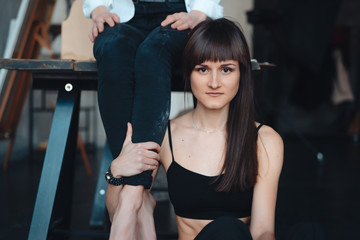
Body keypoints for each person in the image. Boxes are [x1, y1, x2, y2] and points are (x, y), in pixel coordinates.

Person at [112, 18, 284, 240]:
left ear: (241, 74)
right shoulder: (165, 135)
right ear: (188, 74)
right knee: (227, 230)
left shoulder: (265, 140)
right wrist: (115, 172)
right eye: (203, 69)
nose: (214, 82)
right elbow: (121, 212)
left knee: (310, 233)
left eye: (226, 69)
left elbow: (263, 230)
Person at [82, 0, 222, 239]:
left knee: (153, 53)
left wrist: (200, 14)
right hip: (126, 13)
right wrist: (99, 10)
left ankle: (132, 194)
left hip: (179, 14)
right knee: (111, 47)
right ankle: (141, 198)